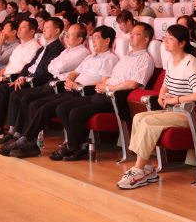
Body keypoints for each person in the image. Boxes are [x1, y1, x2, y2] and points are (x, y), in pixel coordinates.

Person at [0, 26, 118, 158]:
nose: (93, 41)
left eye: (96, 38)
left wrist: (78, 86)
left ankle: (24, 141)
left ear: (107, 41)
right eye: (92, 38)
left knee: (47, 108)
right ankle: (29, 143)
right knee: (35, 104)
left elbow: (103, 82)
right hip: (71, 89)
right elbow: (73, 73)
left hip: (85, 93)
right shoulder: (90, 57)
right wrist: (70, 81)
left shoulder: (109, 59)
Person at [116, 24, 196, 189]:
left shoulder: (190, 62)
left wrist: (176, 99)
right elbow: (165, 85)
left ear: (182, 43)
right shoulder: (171, 61)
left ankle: (138, 171)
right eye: (165, 37)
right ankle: (147, 169)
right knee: (138, 118)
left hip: (190, 114)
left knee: (148, 122)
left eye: (170, 38)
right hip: (174, 110)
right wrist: (161, 94)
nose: (165, 41)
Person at [49, 22, 156, 161]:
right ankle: (80, 145)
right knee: (62, 108)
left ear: (146, 39)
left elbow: (133, 84)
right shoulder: (126, 57)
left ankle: (73, 147)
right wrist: (103, 85)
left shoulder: (145, 60)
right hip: (102, 93)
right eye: (131, 33)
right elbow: (112, 78)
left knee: (75, 113)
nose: (131, 36)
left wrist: (108, 88)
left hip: (115, 99)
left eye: (135, 34)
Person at [0, 23, 90, 147]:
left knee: (27, 99)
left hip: (59, 86)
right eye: (66, 34)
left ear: (80, 39)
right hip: (51, 81)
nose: (66, 36)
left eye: (70, 35)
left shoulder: (82, 52)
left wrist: (57, 67)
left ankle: (23, 138)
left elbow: (60, 66)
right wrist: (57, 68)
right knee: (20, 96)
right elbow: (51, 66)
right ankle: (18, 135)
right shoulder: (66, 50)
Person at [0, 18, 67, 141]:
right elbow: (29, 66)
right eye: (44, 27)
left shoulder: (57, 48)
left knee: (5, 90)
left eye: (47, 28)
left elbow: (46, 70)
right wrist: (21, 76)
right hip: (27, 78)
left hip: (37, 81)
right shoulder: (43, 47)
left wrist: (27, 78)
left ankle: (7, 130)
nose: (43, 29)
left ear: (57, 31)